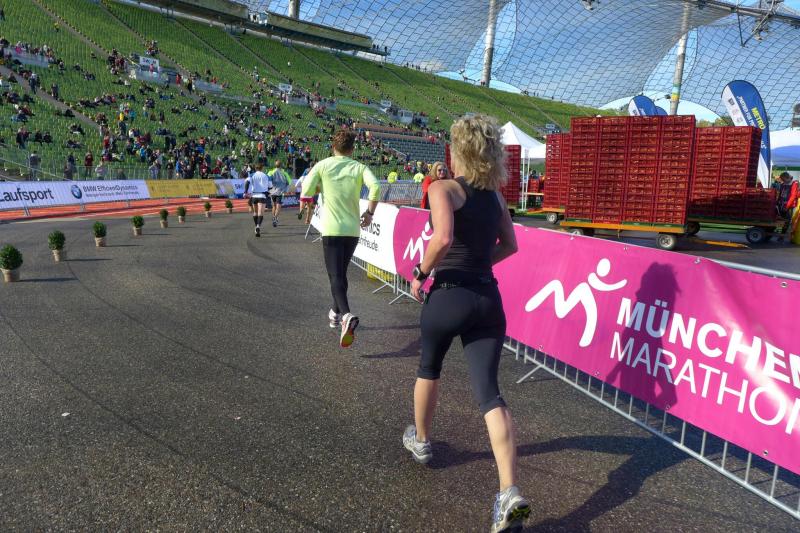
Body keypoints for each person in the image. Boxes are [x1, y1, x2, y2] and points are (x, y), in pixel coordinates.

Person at [403, 115, 529, 533]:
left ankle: (422, 441)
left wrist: (420, 274)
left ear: (458, 150)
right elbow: (510, 245)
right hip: (487, 298)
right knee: (490, 393)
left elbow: (442, 238)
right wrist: (478, 264)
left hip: (448, 294)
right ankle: (509, 492)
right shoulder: (496, 199)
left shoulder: (443, 189)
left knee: (429, 368)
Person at [301, 129, 380, 348]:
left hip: (332, 229)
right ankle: (335, 312)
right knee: (340, 274)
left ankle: (346, 315)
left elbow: (306, 190)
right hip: (353, 229)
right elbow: (376, 186)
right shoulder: (359, 167)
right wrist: (370, 213)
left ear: (333, 147)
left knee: (335, 276)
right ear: (353, 149)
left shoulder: (323, 165)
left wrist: (315, 191)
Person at [243, 163, 272, 237]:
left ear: (255, 168)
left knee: (255, 213)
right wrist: (266, 189)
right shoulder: (266, 176)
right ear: (262, 168)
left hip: (254, 195)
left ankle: (256, 227)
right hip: (262, 195)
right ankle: (258, 226)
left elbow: (247, 182)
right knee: (260, 213)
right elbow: (270, 186)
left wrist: (245, 192)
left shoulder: (252, 175)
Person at [267, 159, 291, 227]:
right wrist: (286, 190)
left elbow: (268, 179)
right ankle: (275, 218)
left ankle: (274, 217)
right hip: (280, 192)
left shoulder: (271, 172)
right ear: (281, 165)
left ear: (275, 165)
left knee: (274, 206)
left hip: (272, 192)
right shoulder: (284, 173)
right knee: (278, 207)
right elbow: (289, 182)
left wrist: (269, 189)